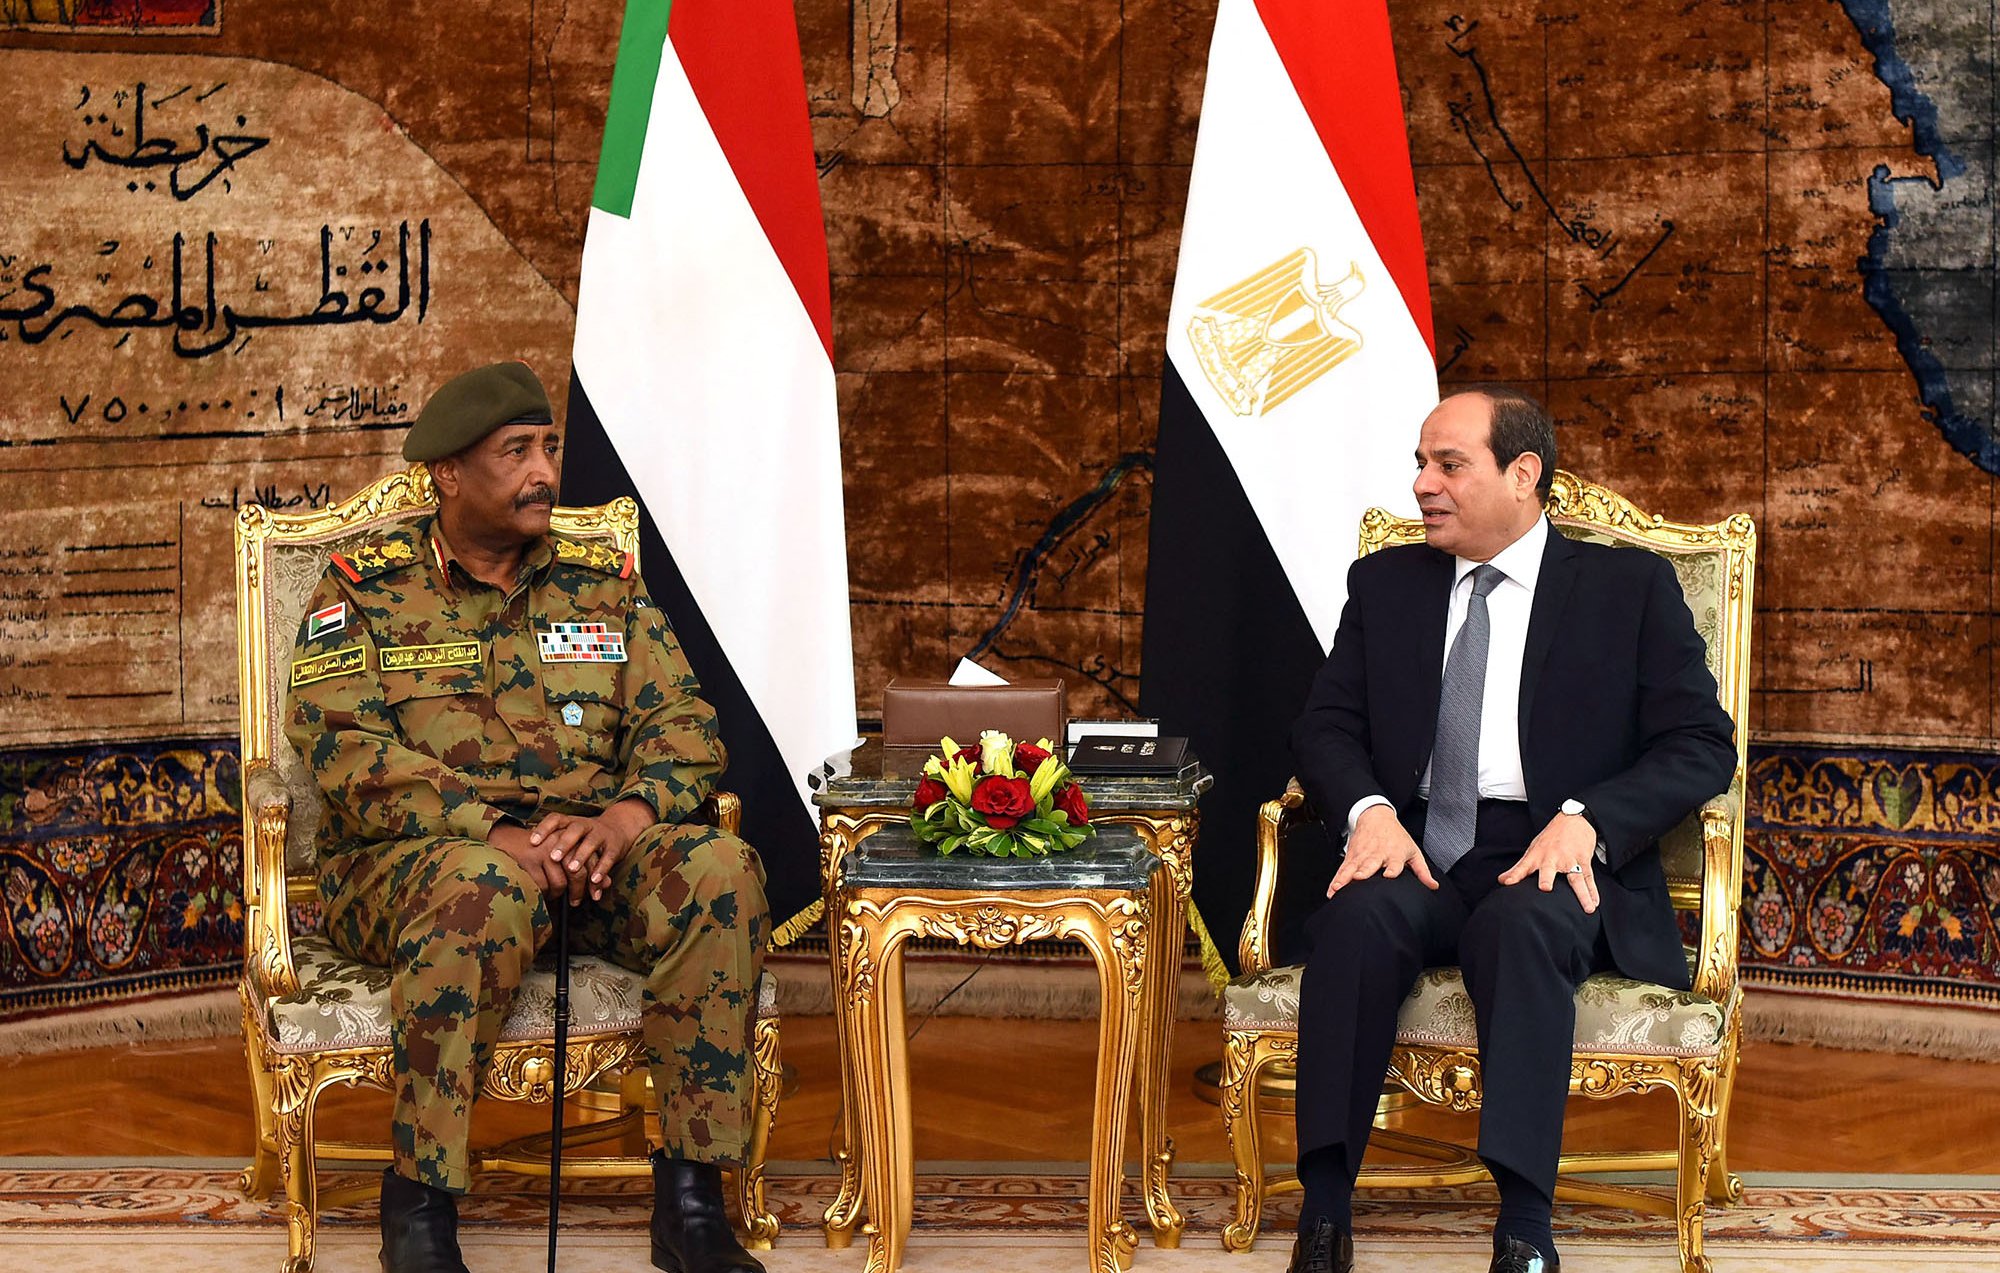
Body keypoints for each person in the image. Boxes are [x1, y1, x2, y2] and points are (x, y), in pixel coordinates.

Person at [285, 361, 768, 1273]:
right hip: (417, 871)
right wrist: (490, 829)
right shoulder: (363, 589)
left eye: (548, 446)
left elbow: (687, 723)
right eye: (516, 452)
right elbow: (342, 746)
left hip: (589, 860)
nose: (544, 469)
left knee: (721, 871)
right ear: (449, 475)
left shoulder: (602, 585)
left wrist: (624, 819)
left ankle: (693, 1204)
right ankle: (420, 1209)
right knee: (486, 885)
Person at [1286, 387, 1735, 1273]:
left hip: (1546, 849)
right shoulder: (1386, 584)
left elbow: (1700, 743)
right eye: (1421, 463)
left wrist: (1591, 821)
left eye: (1449, 464)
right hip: (1412, 844)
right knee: (1355, 923)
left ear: (1523, 474)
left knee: (1522, 927)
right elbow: (1323, 728)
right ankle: (1326, 1213)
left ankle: (1525, 1224)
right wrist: (1369, 810)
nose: (1423, 484)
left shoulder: (1626, 589)